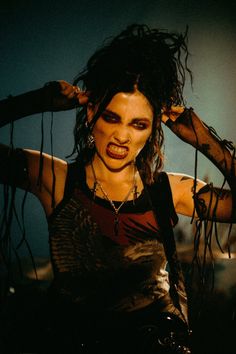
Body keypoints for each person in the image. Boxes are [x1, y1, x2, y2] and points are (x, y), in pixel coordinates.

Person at [0, 24, 235, 354]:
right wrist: (34, 102)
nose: (122, 136)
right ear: (92, 112)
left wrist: (204, 139)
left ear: (153, 128)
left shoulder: (169, 191)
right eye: (112, 117)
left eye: (138, 123)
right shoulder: (57, 180)